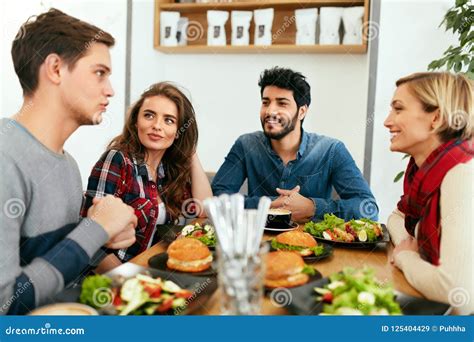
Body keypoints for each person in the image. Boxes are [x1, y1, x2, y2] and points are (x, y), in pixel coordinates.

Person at [0, 9, 137, 315]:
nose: (110, 89)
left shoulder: (68, 166)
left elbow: (48, 255)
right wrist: (96, 228)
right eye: (99, 73)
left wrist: (103, 235)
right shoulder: (4, 159)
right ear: (56, 69)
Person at [212, 67, 378, 222]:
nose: (270, 111)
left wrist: (313, 207)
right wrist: (268, 204)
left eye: (282, 103)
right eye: (266, 102)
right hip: (260, 244)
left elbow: (369, 209)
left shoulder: (331, 150)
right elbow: (217, 197)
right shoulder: (247, 145)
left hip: (314, 247)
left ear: (302, 111)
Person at [81, 82, 212, 271]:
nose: (157, 126)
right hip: (114, 280)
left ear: (178, 132)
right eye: (149, 115)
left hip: (153, 271)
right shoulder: (118, 160)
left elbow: (203, 209)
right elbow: (91, 238)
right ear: (136, 122)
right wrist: (131, 280)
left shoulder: (169, 171)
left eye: (169, 121)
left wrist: (189, 149)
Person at [385, 72, 473, 314]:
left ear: (435, 119)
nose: (386, 121)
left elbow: (458, 294)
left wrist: (406, 257)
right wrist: (409, 244)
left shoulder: (463, 173)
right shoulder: (422, 171)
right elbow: (396, 218)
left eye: (398, 109)